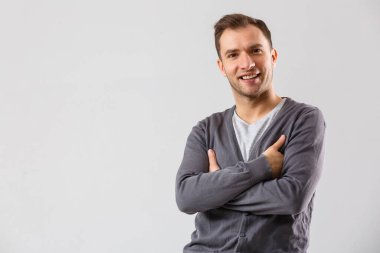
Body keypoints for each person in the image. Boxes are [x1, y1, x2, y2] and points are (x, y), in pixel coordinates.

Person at [175, 13, 326, 253]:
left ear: (272, 56)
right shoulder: (205, 130)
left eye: (255, 50)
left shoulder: (304, 119)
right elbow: (186, 197)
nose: (247, 64)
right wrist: (262, 167)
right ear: (222, 66)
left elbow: (292, 197)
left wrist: (216, 189)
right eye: (233, 55)